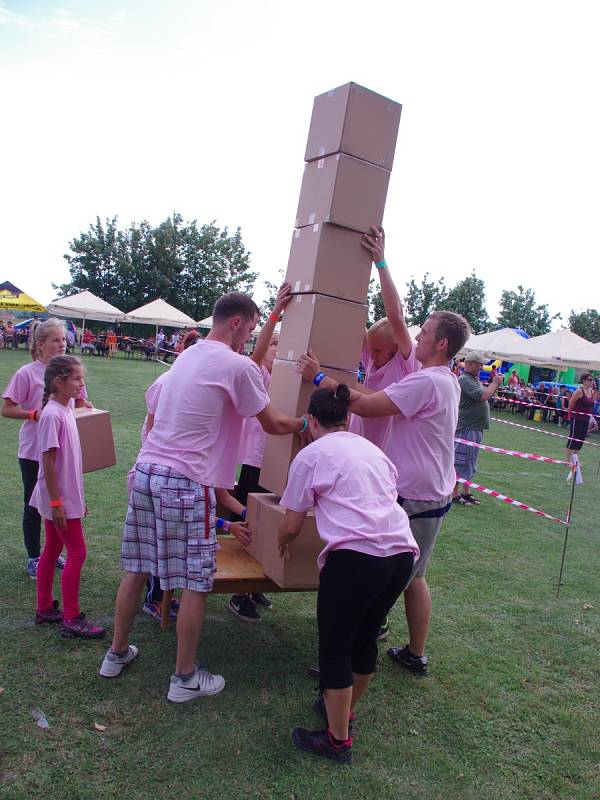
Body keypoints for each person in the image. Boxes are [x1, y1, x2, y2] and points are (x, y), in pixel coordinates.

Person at [99, 292, 309, 703]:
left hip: (146, 471)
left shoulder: (188, 355)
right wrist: (306, 422)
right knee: (196, 582)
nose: (249, 339)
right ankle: (184, 678)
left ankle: (116, 653)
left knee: (138, 568)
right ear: (236, 323)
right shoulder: (236, 365)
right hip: (185, 481)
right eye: (249, 330)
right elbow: (273, 423)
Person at [298, 226, 471, 676]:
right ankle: (413, 653)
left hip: (413, 495)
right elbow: (388, 319)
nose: (418, 330)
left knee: (374, 576)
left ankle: (350, 651)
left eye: (426, 330)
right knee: (412, 575)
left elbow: (368, 406)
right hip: (427, 493)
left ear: (441, 344)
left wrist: (319, 379)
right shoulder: (444, 379)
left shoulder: (424, 378)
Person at [279, 385, 419, 765]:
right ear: (349, 419)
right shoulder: (373, 451)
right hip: (400, 554)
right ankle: (344, 712)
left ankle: (337, 741)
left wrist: (277, 542)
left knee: (335, 647)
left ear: (310, 421)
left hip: (357, 557)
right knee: (364, 639)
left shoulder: (311, 455)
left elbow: (291, 525)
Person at [2, 318, 91, 578]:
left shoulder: (69, 369)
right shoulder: (26, 373)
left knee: (60, 504)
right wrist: (34, 415)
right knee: (34, 505)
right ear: (41, 344)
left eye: (64, 339)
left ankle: (51, 553)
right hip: (33, 451)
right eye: (56, 340)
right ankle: (34, 556)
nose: (62, 344)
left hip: (62, 452)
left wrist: (86, 406)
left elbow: (81, 400)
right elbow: (6, 408)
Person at [228, 282, 292, 622]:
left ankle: (254, 585)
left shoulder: (285, 379)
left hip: (277, 463)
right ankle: (239, 593)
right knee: (248, 522)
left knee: (270, 522)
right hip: (254, 461)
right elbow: (257, 354)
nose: (279, 351)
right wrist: (275, 314)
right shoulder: (259, 373)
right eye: (276, 346)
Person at [30, 355, 105, 638]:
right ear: (59, 382)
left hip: (63, 497)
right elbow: (48, 463)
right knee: (77, 552)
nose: (81, 384)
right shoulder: (51, 415)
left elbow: (82, 400)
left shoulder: (66, 406)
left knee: (51, 549)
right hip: (57, 499)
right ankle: (71, 618)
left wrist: (73, 499)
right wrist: (57, 504)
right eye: (76, 379)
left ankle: (45, 607)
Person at [453, 351, 503, 506]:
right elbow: (482, 396)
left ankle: (466, 492)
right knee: (461, 460)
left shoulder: (474, 379)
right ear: (469, 364)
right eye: (479, 364)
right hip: (466, 427)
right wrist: (494, 383)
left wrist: (495, 385)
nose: (481, 367)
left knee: (470, 461)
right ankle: (454, 494)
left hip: (475, 428)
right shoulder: (463, 380)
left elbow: (484, 395)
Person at [566, 373, 596, 462]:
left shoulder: (593, 392)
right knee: (574, 437)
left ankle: (575, 460)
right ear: (584, 380)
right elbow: (571, 404)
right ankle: (567, 460)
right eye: (589, 379)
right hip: (576, 417)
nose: (591, 381)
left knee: (581, 439)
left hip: (586, 418)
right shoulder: (579, 391)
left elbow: (591, 405)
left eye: (592, 380)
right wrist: (569, 415)